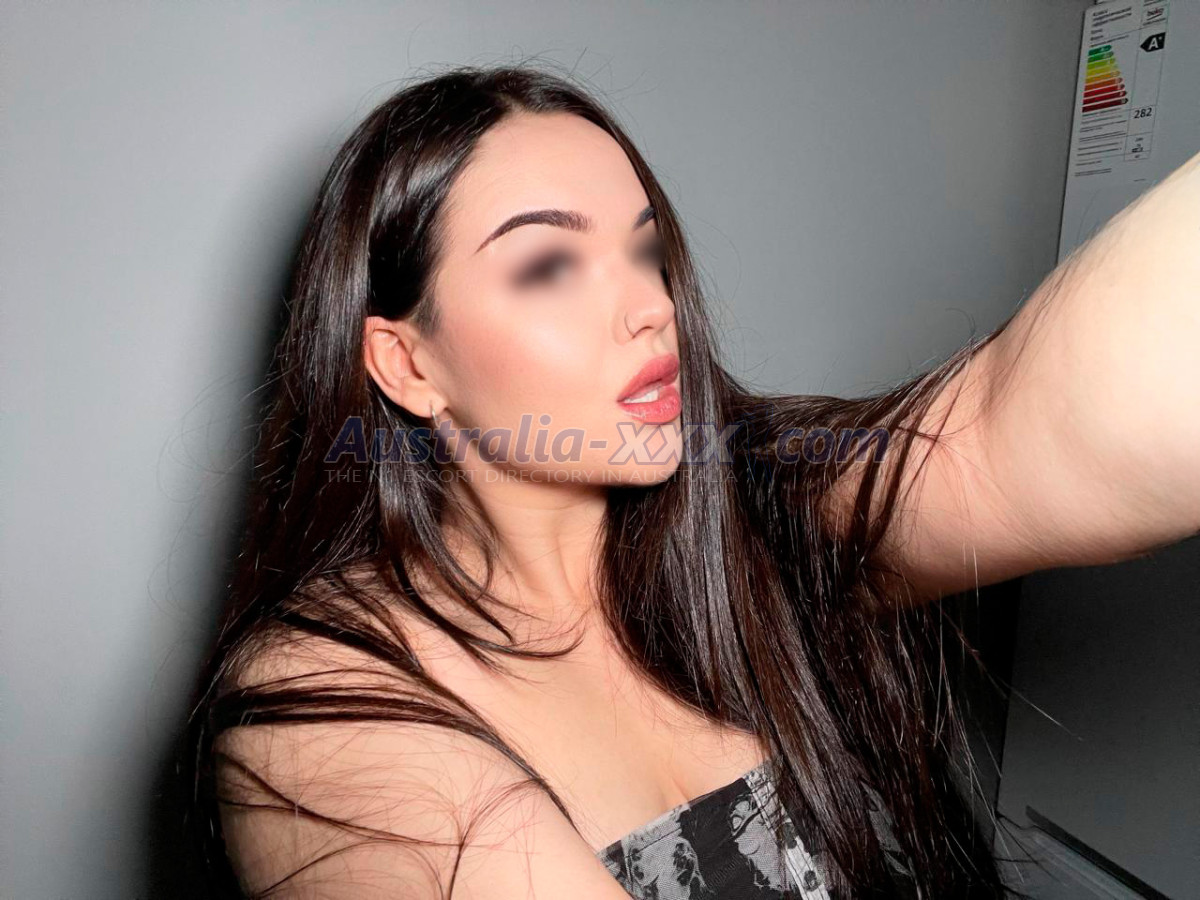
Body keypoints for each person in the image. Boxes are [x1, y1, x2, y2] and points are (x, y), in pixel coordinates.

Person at [180, 63, 1200, 899]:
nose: (651, 307)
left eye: (647, 252)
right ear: (406, 364)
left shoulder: (742, 525)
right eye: (548, 266)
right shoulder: (318, 703)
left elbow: (1021, 427)